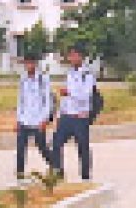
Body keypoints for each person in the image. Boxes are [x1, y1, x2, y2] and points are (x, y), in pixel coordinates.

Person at [52, 45, 96, 181]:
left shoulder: (87, 74)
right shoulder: (69, 73)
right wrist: (60, 114)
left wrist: (70, 92)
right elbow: (65, 97)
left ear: (81, 57)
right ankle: (58, 172)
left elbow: (86, 95)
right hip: (67, 115)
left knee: (82, 146)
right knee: (56, 143)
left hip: (80, 117)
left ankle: (85, 176)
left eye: (75, 55)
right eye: (70, 55)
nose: (72, 58)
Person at [15, 52, 54, 179]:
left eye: (31, 63)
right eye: (27, 63)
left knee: (42, 147)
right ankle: (20, 173)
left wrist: (45, 119)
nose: (29, 65)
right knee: (20, 148)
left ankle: (56, 166)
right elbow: (20, 100)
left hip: (38, 119)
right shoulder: (23, 79)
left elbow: (48, 100)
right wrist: (18, 119)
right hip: (24, 119)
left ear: (36, 64)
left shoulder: (43, 79)